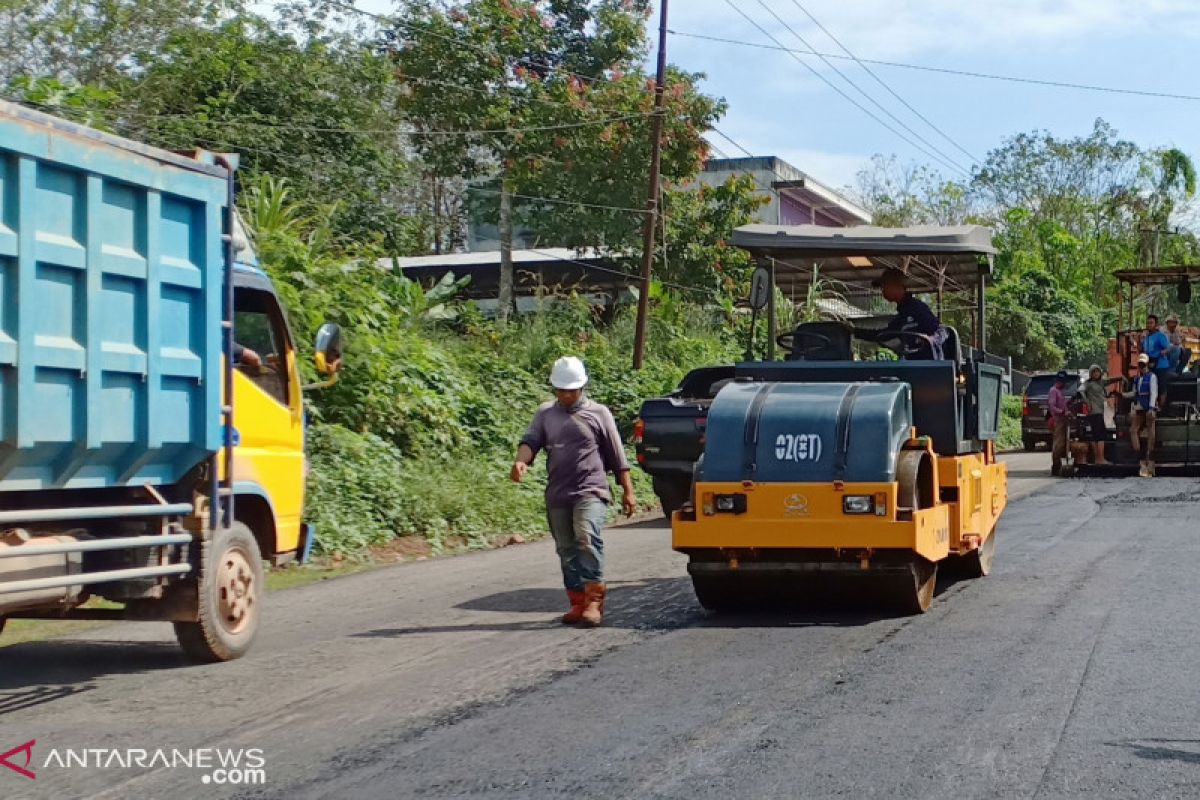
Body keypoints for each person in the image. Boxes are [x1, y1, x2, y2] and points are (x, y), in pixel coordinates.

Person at [511, 356, 637, 627]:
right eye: (561, 390)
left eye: (572, 390)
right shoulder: (545, 414)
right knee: (566, 548)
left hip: (591, 489)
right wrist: (521, 461)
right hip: (558, 492)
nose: (567, 395)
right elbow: (531, 441)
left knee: (586, 536)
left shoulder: (599, 413)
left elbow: (617, 456)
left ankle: (594, 600)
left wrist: (628, 491)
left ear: (582, 388)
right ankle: (577, 600)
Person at [873, 268, 948, 359]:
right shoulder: (901, 318)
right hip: (910, 366)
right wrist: (855, 331)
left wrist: (931, 340)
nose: (882, 291)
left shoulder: (917, 308)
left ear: (897, 286)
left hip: (929, 366)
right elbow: (883, 335)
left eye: (884, 286)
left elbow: (941, 331)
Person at [1125, 353, 1159, 477]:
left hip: (1148, 407)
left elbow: (1153, 392)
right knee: (1133, 430)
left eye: (1143, 364)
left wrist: (1151, 408)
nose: (1141, 366)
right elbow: (1135, 393)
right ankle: (1140, 457)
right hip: (1140, 406)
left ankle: (1150, 458)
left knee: (1151, 432)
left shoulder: (1152, 377)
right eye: (1140, 364)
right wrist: (1123, 394)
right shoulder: (1137, 379)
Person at [1079, 364, 1111, 466]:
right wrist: (1087, 403)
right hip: (1094, 412)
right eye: (1094, 372)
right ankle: (1100, 458)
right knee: (1100, 435)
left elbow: (1110, 381)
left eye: (1098, 371)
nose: (1096, 373)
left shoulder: (1100, 382)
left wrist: (1121, 378)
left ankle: (1098, 458)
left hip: (1100, 411)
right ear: (1090, 373)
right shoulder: (1088, 384)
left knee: (1098, 435)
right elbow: (1080, 390)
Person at [1047, 370, 1072, 476]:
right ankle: (1055, 467)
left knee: (1063, 444)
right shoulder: (1053, 391)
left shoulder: (1060, 391)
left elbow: (1062, 405)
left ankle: (1060, 465)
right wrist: (1062, 412)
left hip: (1063, 418)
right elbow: (1052, 406)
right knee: (1058, 444)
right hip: (1057, 419)